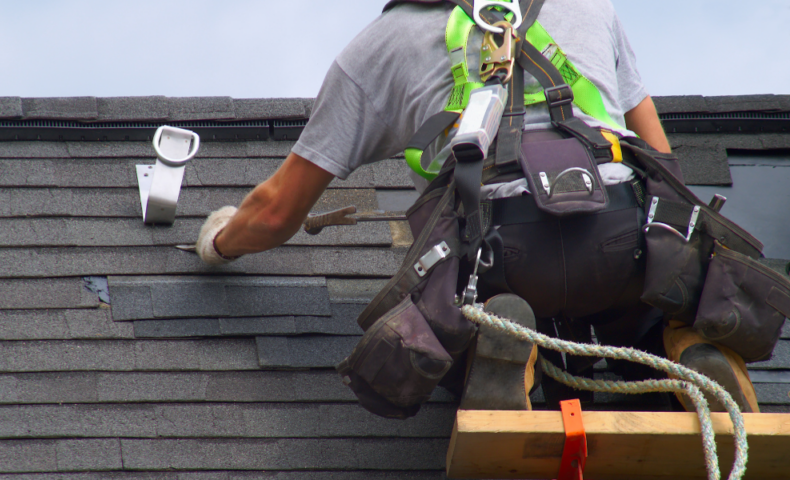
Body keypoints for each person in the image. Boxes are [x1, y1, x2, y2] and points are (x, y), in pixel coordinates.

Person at [194, 0, 759, 413]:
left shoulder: (380, 46)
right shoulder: (590, 6)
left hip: (497, 259)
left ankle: (500, 352)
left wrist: (218, 241)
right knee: (649, 286)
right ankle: (680, 343)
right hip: (625, 244)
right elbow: (663, 165)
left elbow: (274, 213)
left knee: (453, 312)